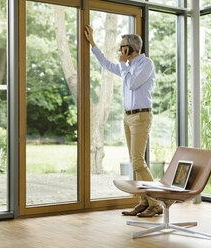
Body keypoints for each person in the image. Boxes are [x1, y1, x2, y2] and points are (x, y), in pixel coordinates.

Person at [84, 24, 163, 217]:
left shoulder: (146, 64)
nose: (120, 50)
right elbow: (106, 64)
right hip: (128, 117)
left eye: (122, 47)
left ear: (131, 48)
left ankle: (156, 203)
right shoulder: (127, 67)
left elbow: (133, 83)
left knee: (138, 162)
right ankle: (144, 201)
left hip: (141, 116)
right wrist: (92, 43)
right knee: (135, 161)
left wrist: (122, 65)